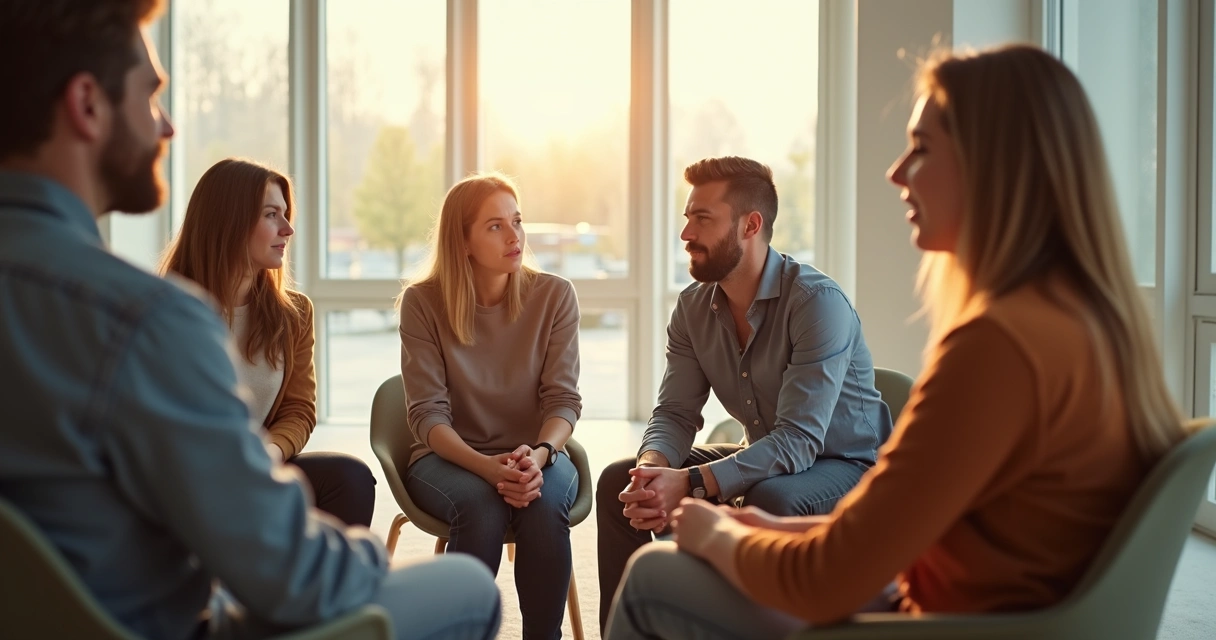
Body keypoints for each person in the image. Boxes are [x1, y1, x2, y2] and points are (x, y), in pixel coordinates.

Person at [604, 44, 1200, 640]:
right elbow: (907, 537)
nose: (895, 173)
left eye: (922, 148)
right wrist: (687, 487)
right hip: (963, 602)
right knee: (645, 488)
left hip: (936, 620)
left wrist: (718, 531)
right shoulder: (1082, 324)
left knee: (659, 573)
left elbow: (828, 576)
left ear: (993, 164)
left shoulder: (995, 348)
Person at [0, 2, 500, 639]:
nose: (168, 127)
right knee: (465, 588)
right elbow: (292, 574)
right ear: (87, 104)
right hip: (158, 624)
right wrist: (371, 561)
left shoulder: (245, 314)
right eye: (151, 96)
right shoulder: (146, 321)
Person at [596, 155, 892, 630]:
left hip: (844, 467)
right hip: (767, 454)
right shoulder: (693, 309)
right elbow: (674, 412)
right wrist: (653, 471)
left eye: (703, 218)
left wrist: (690, 483)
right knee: (619, 483)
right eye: (688, 216)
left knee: (771, 498)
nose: (686, 233)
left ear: (750, 225)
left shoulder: (817, 304)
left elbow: (798, 441)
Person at [397, 172, 582, 640]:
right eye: (495, 225)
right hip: (449, 457)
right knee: (481, 507)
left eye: (517, 221)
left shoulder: (555, 296)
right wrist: (487, 468)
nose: (514, 235)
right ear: (462, 242)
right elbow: (427, 416)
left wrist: (537, 456)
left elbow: (563, 401)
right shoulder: (422, 303)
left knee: (541, 507)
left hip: (537, 453)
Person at [160, 157, 377, 527]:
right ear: (229, 220)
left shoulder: (294, 315)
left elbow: (298, 409)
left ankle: (321, 586)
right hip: (184, 478)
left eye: (286, 213)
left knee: (350, 479)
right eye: (271, 215)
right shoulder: (164, 308)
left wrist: (268, 453)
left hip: (257, 468)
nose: (288, 229)